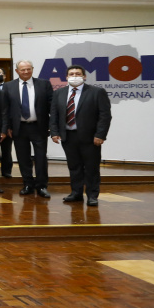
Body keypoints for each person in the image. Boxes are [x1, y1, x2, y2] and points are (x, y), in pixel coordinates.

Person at [50, 65, 112, 207]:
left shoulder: (97, 92)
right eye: (71, 74)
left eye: (78, 74)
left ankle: (92, 195)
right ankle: (76, 193)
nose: (75, 76)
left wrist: (100, 134)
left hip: (91, 138)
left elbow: (105, 116)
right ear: (66, 77)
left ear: (84, 76)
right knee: (74, 167)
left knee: (91, 168)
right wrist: (54, 132)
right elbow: (54, 115)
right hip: (68, 136)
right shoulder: (59, 93)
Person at [1, 60, 53, 199]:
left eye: (28, 69)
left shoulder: (44, 84)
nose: (26, 72)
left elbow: (51, 107)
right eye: (22, 69)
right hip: (19, 128)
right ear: (17, 71)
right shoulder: (8, 86)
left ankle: (42, 186)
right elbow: (5, 110)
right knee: (23, 158)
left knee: (41, 158)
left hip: (39, 127)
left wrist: (52, 126)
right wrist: (7, 128)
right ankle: (28, 185)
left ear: (32, 69)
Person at [0, 67, 14, 178]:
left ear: (4, 76)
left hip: (7, 125)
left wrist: (9, 126)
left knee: (6, 150)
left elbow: (12, 108)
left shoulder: (10, 87)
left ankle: (6, 171)